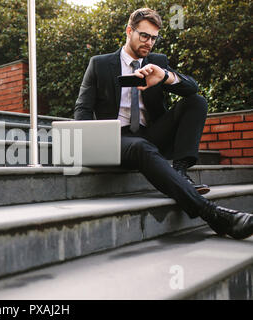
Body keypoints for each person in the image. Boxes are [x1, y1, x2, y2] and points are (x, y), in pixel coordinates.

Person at [74, 7, 252, 239]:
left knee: (196, 102)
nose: (149, 42)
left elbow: (192, 88)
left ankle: (179, 169)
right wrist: (90, 145)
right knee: (140, 147)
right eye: (144, 36)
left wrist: (166, 77)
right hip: (116, 139)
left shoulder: (157, 62)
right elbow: (82, 109)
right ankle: (215, 216)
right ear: (129, 31)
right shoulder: (99, 64)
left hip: (151, 134)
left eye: (154, 38)